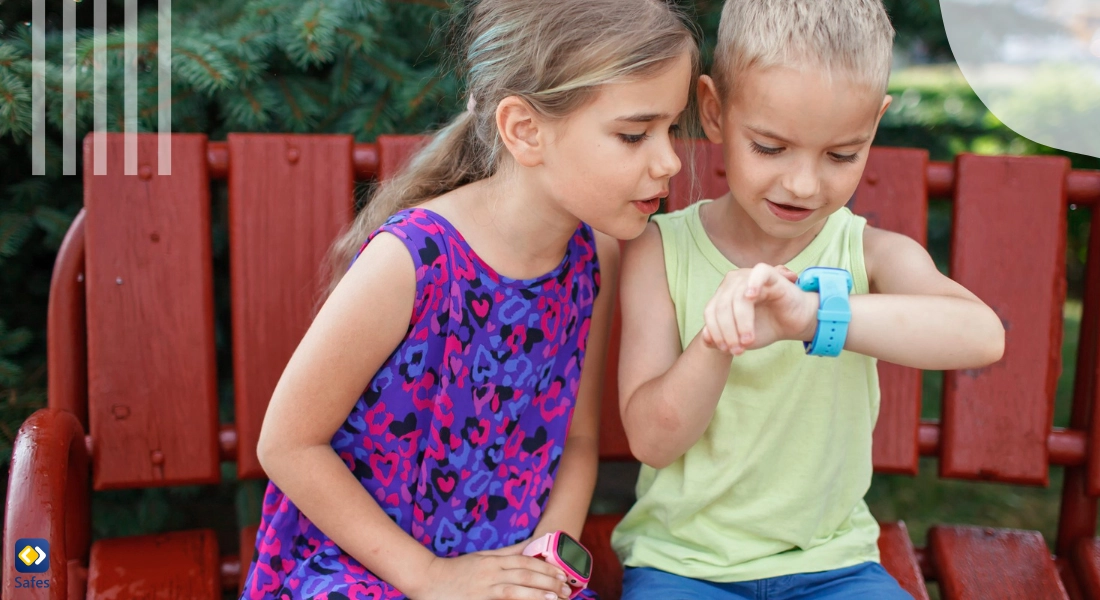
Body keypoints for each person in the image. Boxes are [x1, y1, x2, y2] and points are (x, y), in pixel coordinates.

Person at [239, 1, 697, 598]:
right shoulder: (413, 259)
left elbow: (577, 439)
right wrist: (430, 577)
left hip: (506, 570)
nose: (669, 161)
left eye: (671, 128)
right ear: (525, 130)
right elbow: (287, 443)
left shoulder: (595, 258)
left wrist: (547, 568)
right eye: (634, 134)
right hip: (364, 568)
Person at [611, 0, 1006, 597]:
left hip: (836, 566)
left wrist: (814, 317)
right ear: (714, 112)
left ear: (873, 126)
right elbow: (653, 440)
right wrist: (720, 339)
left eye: (842, 154)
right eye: (770, 147)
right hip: (686, 565)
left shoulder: (873, 254)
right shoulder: (659, 251)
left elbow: (982, 335)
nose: (803, 184)